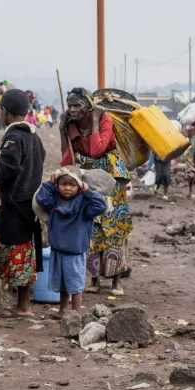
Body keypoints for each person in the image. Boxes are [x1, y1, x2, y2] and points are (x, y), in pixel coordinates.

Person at [0, 89, 46, 318]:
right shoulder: (33, 137)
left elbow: (5, 170)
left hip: (15, 204)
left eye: (0, 108)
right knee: (24, 249)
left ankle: (22, 307)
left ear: (4, 111)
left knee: (7, 244)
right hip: (28, 203)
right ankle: (21, 302)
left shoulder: (14, 138)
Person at [61, 88, 132, 296]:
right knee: (91, 225)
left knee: (113, 223)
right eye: (70, 105)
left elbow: (97, 150)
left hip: (109, 177)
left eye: (77, 105)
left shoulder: (104, 120)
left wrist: (94, 121)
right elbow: (66, 159)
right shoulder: (70, 126)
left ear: (88, 107)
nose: (72, 110)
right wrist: (60, 129)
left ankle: (116, 280)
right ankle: (94, 278)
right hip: (87, 177)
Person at [35, 166, 107, 320]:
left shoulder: (84, 204)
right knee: (63, 283)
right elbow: (41, 199)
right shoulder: (54, 199)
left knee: (74, 284)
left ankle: (75, 313)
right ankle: (62, 310)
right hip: (58, 249)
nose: (67, 188)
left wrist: (88, 192)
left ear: (79, 186)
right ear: (57, 185)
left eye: (72, 185)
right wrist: (49, 184)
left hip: (74, 251)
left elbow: (101, 206)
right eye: (63, 184)